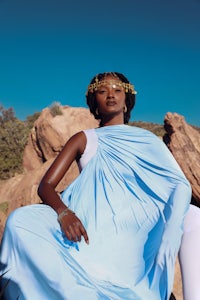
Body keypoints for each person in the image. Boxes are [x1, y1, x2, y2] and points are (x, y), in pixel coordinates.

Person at [0, 72, 191, 300]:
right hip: (88, 222)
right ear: (94, 102)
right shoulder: (84, 138)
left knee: (194, 217)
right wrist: (64, 213)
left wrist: (171, 232)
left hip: (135, 225)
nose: (110, 94)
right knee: (19, 222)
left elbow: (178, 183)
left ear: (127, 100)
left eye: (117, 90)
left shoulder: (146, 139)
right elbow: (46, 186)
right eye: (102, 91)